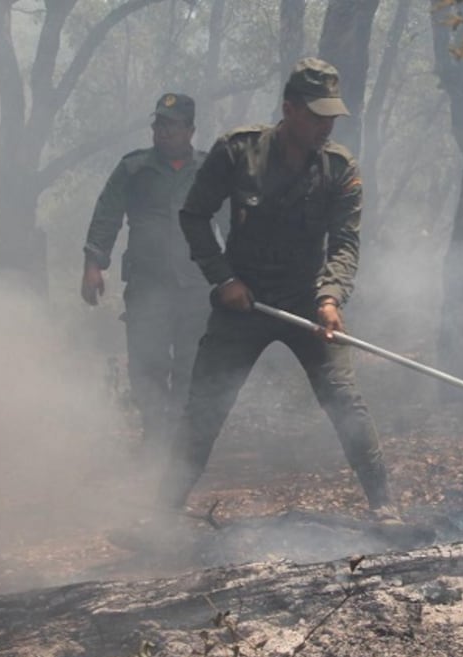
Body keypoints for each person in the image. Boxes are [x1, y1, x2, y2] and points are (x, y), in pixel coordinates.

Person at [162, 58, 395, 522]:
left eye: (331, 116)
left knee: (344, 400)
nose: (326, 126)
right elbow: (194, 216)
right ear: (289, 109)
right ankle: (160, 512)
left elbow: (345, 243)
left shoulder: (339, 169)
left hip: (307, 302)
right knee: (204, 406)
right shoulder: (236, 151)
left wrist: (330, 298)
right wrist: (223, 278)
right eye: (316, 115)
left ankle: (385, 505)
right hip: (242, 301)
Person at [81, 93, 210, 452]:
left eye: (171, 125)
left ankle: (182, 446)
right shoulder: (133, 169)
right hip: (147, 288)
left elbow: (231, 221)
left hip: (196, 289)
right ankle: (155, 438)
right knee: (147, 367)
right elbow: (107, 215)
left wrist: (237, 274)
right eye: (158, 124)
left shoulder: (209, 170)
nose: (162, 132)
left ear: (190, 129)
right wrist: (93, 264)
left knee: (191, 367)